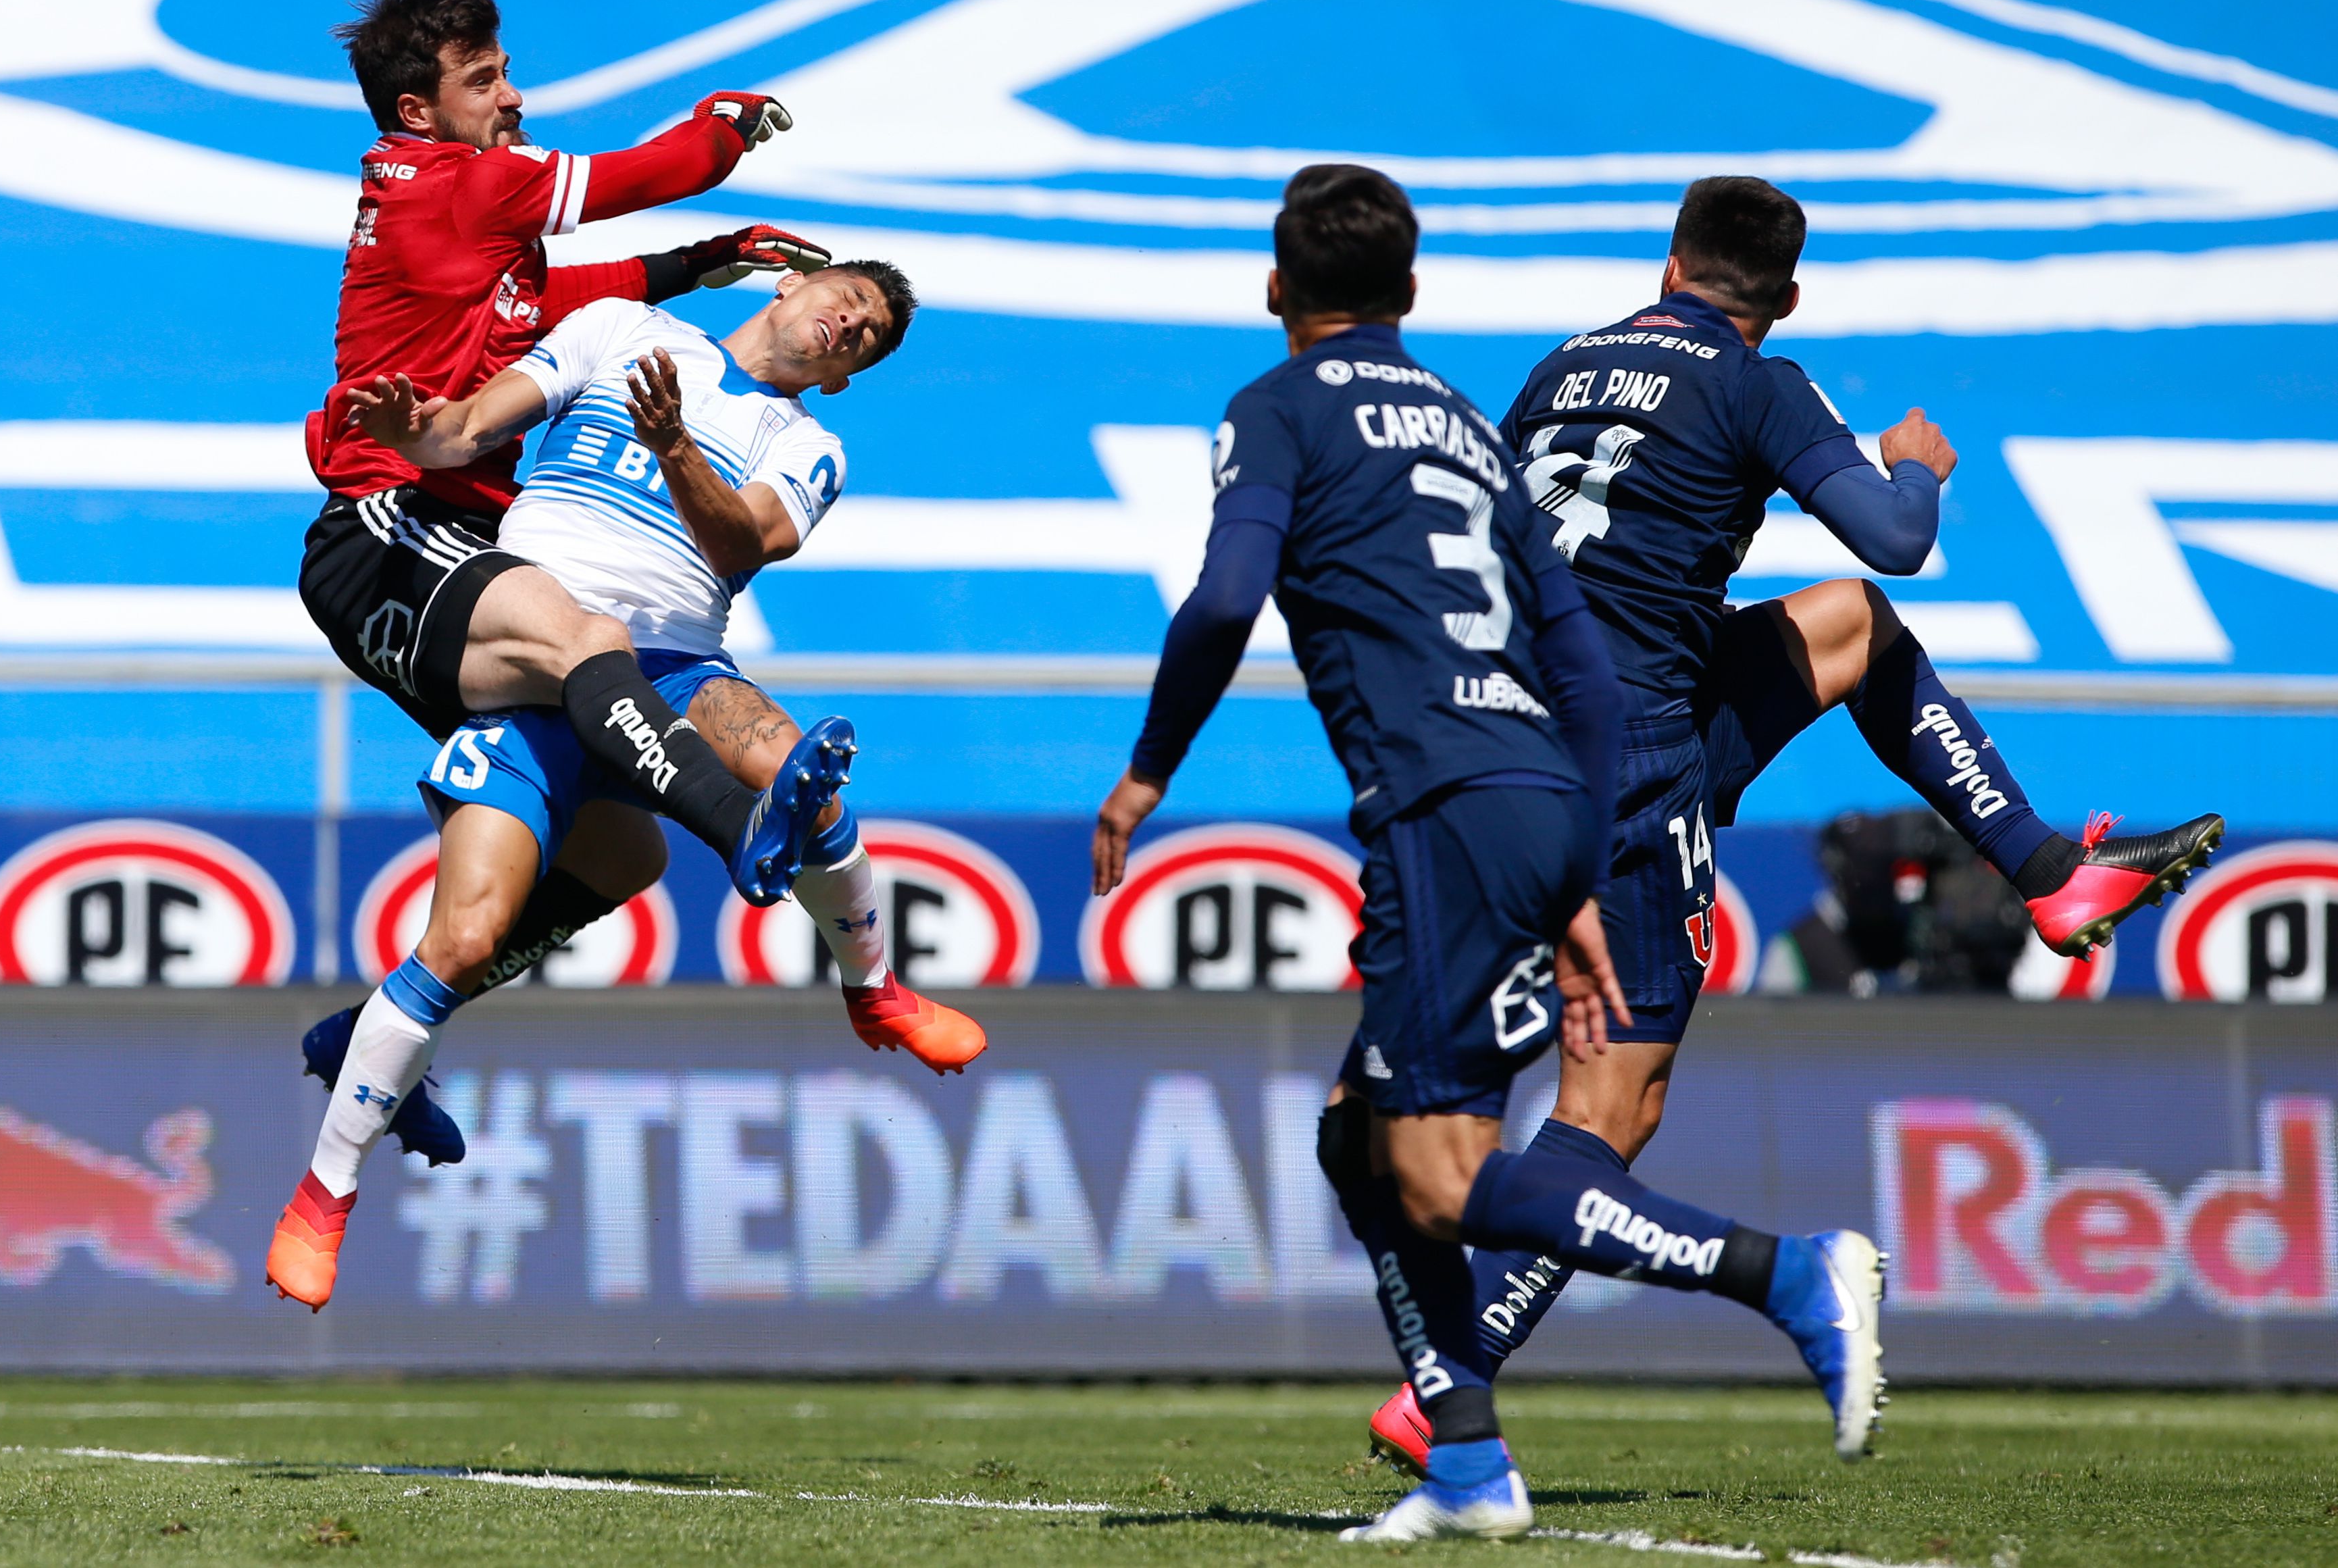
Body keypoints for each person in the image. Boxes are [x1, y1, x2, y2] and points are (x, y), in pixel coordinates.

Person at [1358, 176, 2223, 1477]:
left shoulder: (1558, 368)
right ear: (1785, 295)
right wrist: (1914, 471)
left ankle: (2046, 871)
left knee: (1845, 629)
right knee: (1616, 1102)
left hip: (1505, 733)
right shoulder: (1756, 378)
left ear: (1667, 260)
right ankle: (1451, 1375)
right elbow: (1894, 539)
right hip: (1629, 764)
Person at [1089, 166, 1885, 1544]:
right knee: (1361, 1134)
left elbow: (1223, 595)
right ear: (1410, 291)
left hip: (1439, 809)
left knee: (1437, 1173)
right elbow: (1575, 654)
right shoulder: (1460, 423)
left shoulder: (1276, 410)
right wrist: (1570, 859)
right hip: (1541, 788)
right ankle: (1464, 1455)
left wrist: (1148, 767)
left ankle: (1783, 1274)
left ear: (1274, 287)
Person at [269, 262, 987, 1313]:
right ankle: (323, 1194)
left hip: (676, 669)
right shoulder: (617, 329)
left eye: (868, 338)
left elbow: (742, 541)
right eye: (846, 300)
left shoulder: (809, 444)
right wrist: (410, 425)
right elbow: (465, 432)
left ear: (847, 376)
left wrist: (676, 446)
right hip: (532, 657)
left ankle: (872, 989)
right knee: (465, 938)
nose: (849, 326)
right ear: (787, 282)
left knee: (805, 780)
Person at [299, 0, 838, 942]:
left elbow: (559, 301)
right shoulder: (466, 181)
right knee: (593, 641)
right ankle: (742, 823)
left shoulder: (449, 212)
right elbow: (659, 170)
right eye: (482, 80)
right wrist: (725, 120)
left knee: (620, 855)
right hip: (395, 527)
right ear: (417, 109)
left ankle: (381, 1036)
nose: (511, 97)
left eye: (507, 73)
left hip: (429, 550)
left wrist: (697, 262)